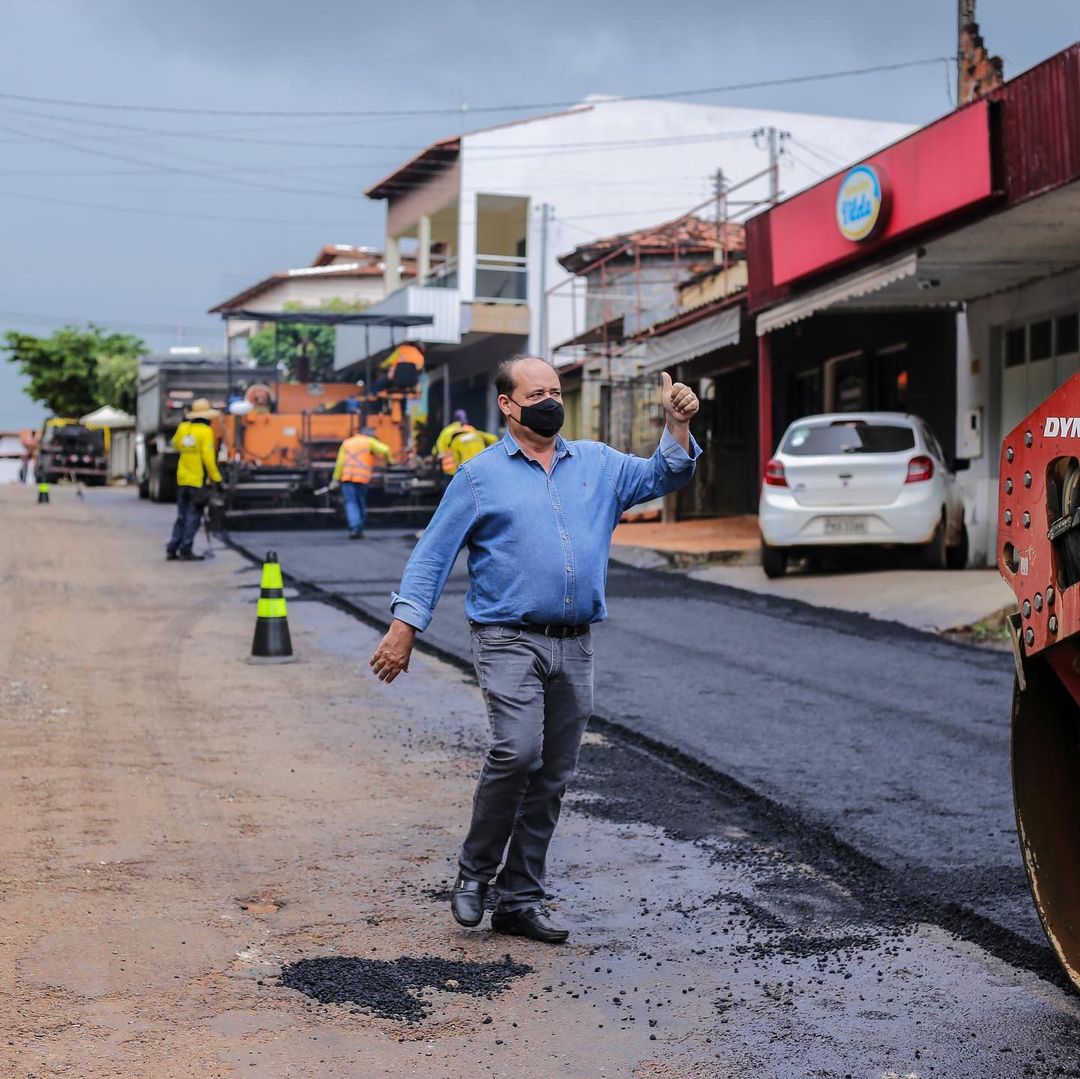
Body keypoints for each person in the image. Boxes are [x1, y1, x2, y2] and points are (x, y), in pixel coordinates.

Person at [369, 355, 700, 943]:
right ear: (507, 405)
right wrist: (405, 626)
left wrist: (676, 428)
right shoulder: (478, 477)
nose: (551, 400)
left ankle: (519, 899)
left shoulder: (598, 464)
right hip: (507, 637)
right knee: (518, 752)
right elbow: (433, 554)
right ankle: (475, 874)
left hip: (575, 643)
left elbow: (664, 476)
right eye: (537, 392)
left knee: (553, 773)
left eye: (556, 390)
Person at [166, 398, 222, 562]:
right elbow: (208, 458)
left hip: (182, 479)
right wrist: (217, 479)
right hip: (197, 482)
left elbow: (175, 444)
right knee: (193, 517)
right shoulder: (205, 431)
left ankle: (173, 547)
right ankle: (186, 549)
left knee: (181, 516)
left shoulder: (184, 428)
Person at [331, 427, 392, 539]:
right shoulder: (369, 442)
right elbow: (386, 450)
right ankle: (359, 527)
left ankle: (354, 528)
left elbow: (340, 462)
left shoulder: (347, 443)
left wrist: (335, 479)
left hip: (347, 478)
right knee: (360, 502)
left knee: (350, 502)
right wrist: (390, 462)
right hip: (362, 479)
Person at [433, 409, 499, 478]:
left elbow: (440, 447)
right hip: (479, 466)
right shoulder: (474, 432)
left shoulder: (449, 433)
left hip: (455, 469)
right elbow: (494, 439)